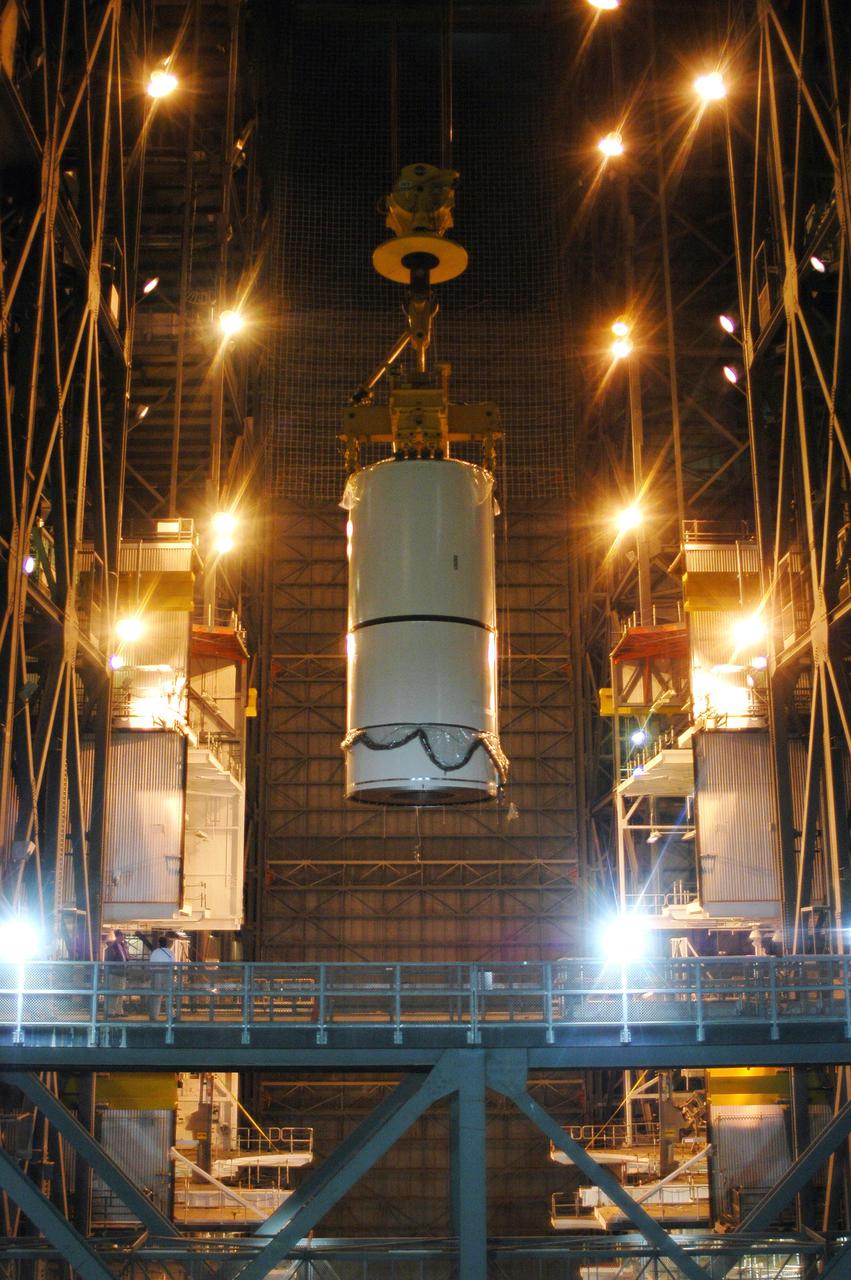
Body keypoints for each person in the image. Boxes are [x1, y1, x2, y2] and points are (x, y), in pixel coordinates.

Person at [148, 935, 176, 1021]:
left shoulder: (155, 952)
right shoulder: (171, 953)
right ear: (167, 944)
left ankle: (154, 1015)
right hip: (168, 974)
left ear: (159, 943)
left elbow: (151, 965)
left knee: (156, 996)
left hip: (156, 974)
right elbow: (173, 964)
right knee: (169, 995)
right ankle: (170, 1015)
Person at [104, 929, 130, 1017]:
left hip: (121, 972)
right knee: (114, 992)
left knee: (120, 992)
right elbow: (109, 959)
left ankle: (119, 1011)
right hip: (115, 972)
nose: (123, 937)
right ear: (118, 936)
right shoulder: (112, 947)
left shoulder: (122, 946)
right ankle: (111, 1011)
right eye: (121, 935)